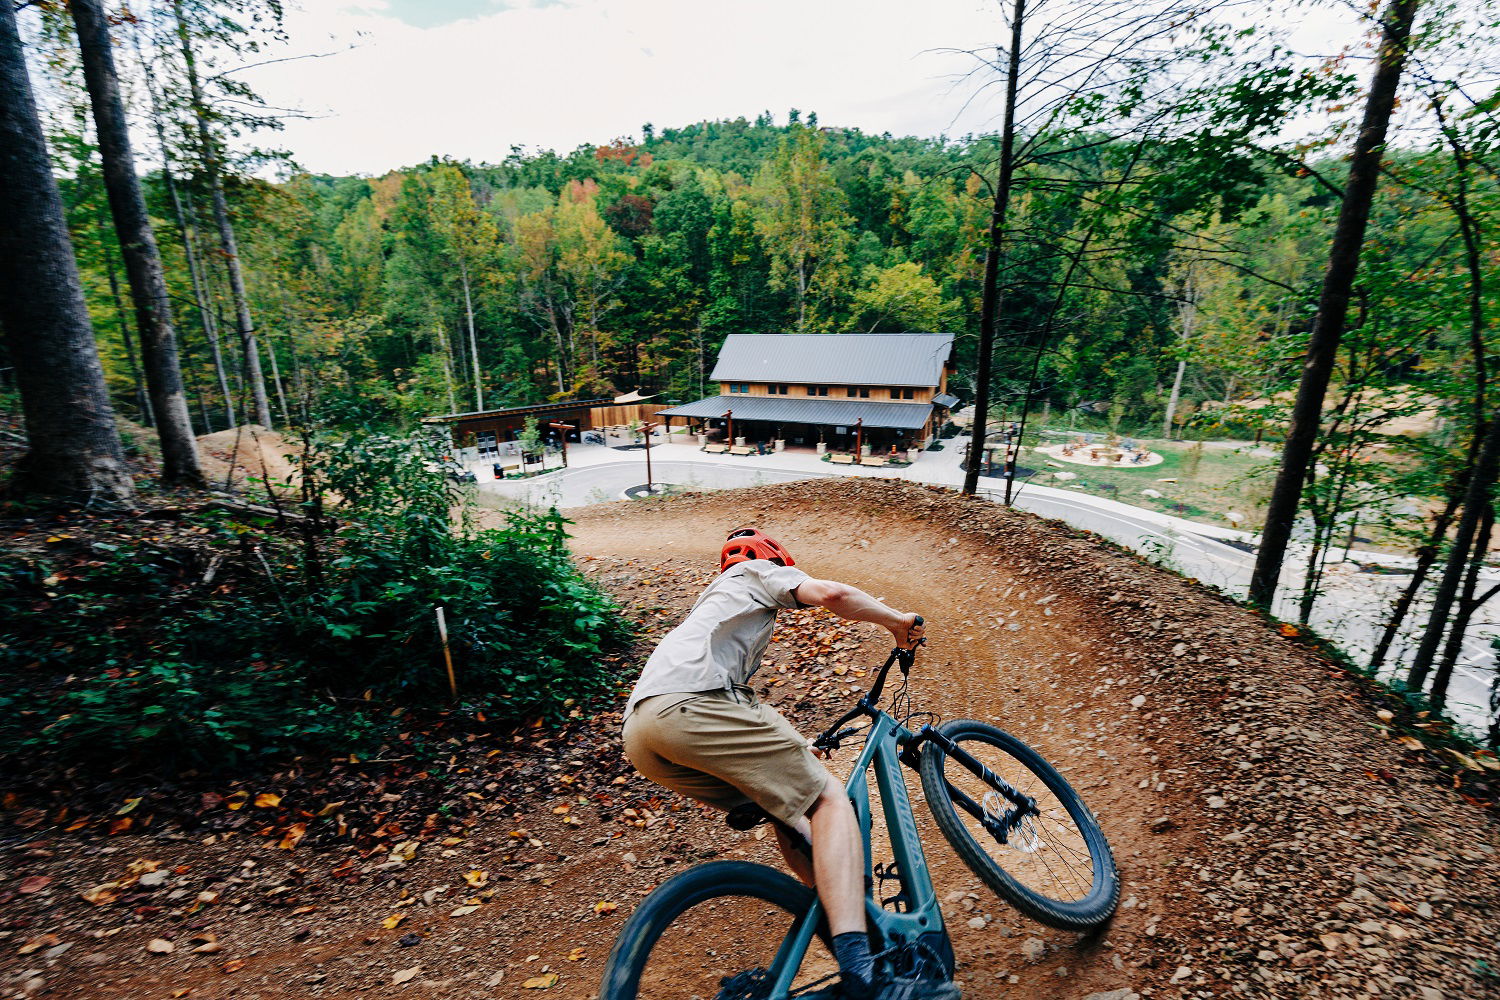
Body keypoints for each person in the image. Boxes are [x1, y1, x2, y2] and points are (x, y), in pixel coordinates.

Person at [622, 528, 954, 999]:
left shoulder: (712, 608)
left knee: (789, 807)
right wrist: (897, 622)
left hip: (644, 732)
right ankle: (866, 975)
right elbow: (832, 594)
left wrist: (795, 749)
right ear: (774, 560)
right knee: (829, 799)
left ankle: (855, 923)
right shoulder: (754, 571)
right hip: (692, 704)